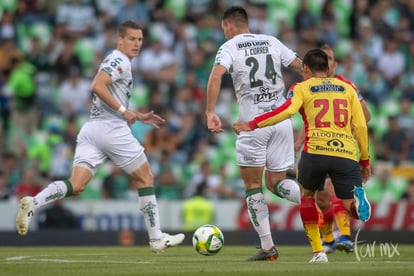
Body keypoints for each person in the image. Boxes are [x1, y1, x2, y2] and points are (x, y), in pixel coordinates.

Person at [15, 20, 184, 253]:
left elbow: (107, 92)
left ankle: (33, 202)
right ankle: (156, 238)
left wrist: (135, 114)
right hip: (111, 130)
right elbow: (97, 85)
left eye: (140, 39)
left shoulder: (118, 61)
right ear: (120, 40)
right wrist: (125, 112)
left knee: (76, 185)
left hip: (92, 129)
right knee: (145, 177)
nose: (137, 43)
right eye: (132, 39)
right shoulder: (119, 60)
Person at [233, 48, 371, 263]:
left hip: (315, 151)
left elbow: (285, 112)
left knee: (307, 197)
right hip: (345, 152)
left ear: (305, 68)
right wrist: (364, 160)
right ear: (328, 68)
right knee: (347, 207)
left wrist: (251, 124)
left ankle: (318, 252)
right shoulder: (348, 88)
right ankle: (357, 202)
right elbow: (361, 125)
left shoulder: (301, 87)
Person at [206, 6, 302, 261]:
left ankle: (268, 247)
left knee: (252, 185)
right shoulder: (271, 41)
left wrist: (210, 112)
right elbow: (300, 66)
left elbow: (216, 77)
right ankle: (315, 199)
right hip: (281, 121)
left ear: (228, 26)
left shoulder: (229, 47)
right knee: (276, 183)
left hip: (253, 124)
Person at [294, 44, 371, 254]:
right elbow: (310, 120)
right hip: (322, 144)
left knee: (328, 193)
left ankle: (344, 236)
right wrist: (299, 141)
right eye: (324, 58)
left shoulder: (347, 85)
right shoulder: (313, 86)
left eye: (330, 58)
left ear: (334, 64)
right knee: (322, 199)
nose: (327, 62)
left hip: (336, 147)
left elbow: (366, 117)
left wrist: (346, 130)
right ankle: (329, 240)